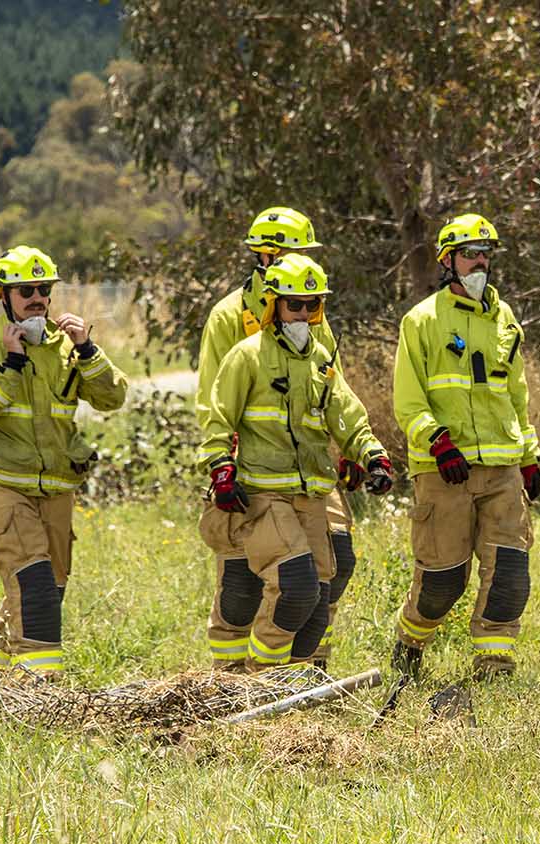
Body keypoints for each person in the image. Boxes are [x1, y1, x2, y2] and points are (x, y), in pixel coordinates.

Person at [196, 207, 391, 671]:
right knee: (255, 583)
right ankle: (237, 677)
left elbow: (336, 398)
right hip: (256, 479)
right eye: (286, 255)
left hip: (310, 475)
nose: (303, 306)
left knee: (330, 571)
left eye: (311, 301)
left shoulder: (314, 326)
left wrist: (359, 452)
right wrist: (223, 466)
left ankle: (304, 672)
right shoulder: (233, 325)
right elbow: (214, 401)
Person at [0, 245, 130, 678]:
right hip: (4, 484)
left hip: (57, 487)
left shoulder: (67, 344)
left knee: (48, 589)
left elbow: (112, 398)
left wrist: (87, 350)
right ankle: (40, 690)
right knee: (33, 582)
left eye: (44, 289)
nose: (37, 298)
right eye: (25, 290)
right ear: (3, 296)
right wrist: (11, 365)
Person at [389, 213, 540, 681]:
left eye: (485, 254)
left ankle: (494, 666)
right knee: (442, 581)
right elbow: (408, 399)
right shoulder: (421, 320)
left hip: (502, 468)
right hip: (443, 470)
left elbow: (516, 394)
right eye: (470, 254)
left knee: (509, 573)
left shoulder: (505, 318)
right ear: (447, 261)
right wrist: (438, 444)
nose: (479, 262)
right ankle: (409, 641)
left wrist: (530, 454)